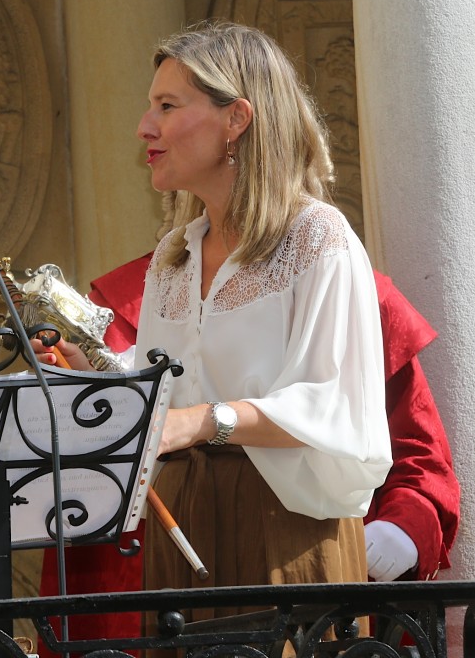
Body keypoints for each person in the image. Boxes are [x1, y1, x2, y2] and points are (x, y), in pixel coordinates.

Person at [32, 21, 392, 629]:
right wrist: (95, 369)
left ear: (236, 118)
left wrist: (203, 422)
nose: (145, 127)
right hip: (184, 524)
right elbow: (170, 386)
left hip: (284, 534)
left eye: (167, 106)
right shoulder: (174, 256)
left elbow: (333, 405)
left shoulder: (318, 237)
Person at [37, 254, 459, 654]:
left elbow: (414, 446)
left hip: (292, 544)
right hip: (167, 566)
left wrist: (406, 525)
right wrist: (91, 394)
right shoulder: (146, 287)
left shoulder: (333, 272)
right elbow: (128, 442)